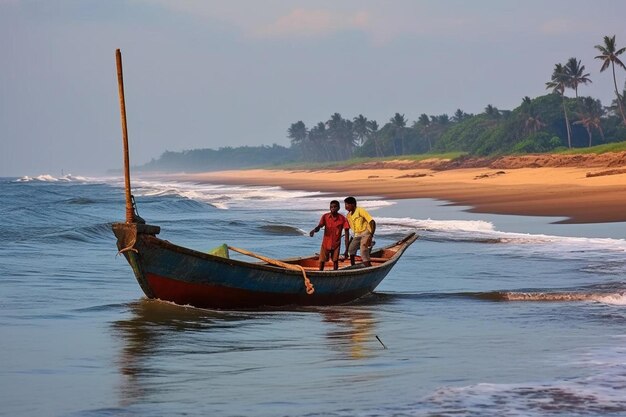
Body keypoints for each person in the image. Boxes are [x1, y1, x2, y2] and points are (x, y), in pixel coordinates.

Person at [310, 200, 350, 270]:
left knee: (335, 261)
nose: (333, 208)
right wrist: (314, 230)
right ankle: (320, 273)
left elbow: (347, 235)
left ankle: (335, 274)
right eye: (331, 207)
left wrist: (347, 249)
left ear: (338, 208)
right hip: (326, 243)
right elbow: (320, 226)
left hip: (336, 244)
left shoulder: (343, 219)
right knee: (322, 261)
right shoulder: (325, 216)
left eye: (335, 207)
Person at [343, 196, 376, 267]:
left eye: (347, 204)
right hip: (357, 234)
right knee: (351, 249)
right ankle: (353, 265)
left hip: (365, 232)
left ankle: (368, 266)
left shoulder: (360, 210)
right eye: (345, 205)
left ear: (353, 204)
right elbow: (352, 231)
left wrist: (371, 235)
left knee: (363, 250)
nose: (346, 207)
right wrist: (347, 247)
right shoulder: (348, 216)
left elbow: (372, 222)